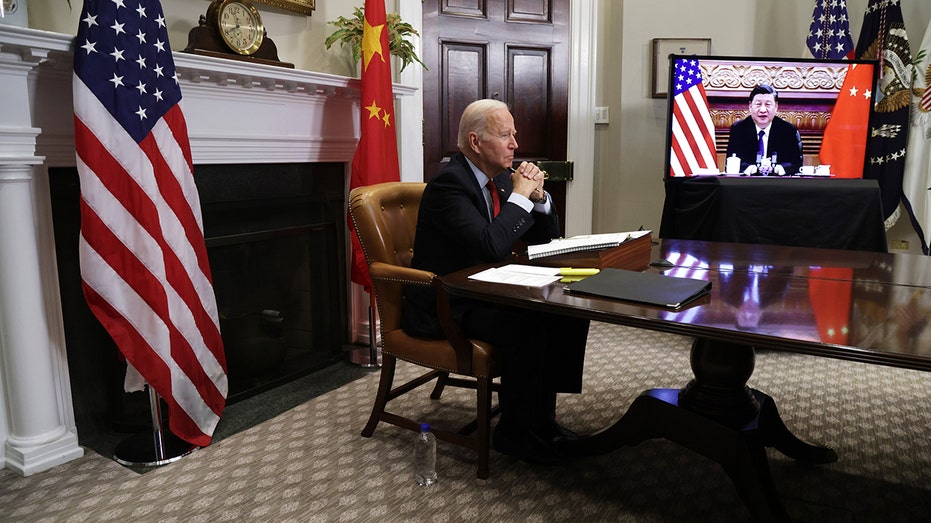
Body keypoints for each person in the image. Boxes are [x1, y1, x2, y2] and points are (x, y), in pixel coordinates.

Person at [402, 99, 589, 464]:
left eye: (514, 134)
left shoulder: (500, 179)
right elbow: (490, 245)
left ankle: (541, 419)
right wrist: (520, 195)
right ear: (475, 142)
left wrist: (540, 199)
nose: (515, 144)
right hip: (448, 302)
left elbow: (543, 240)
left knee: (568, 310)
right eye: (505, 136)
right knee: (527, 326)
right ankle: (514, 433)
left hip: (486, 292)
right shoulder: (448, 185)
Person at [725, 84, 803, 176]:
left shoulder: (787, 130)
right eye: (758, 104)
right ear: (750, 106)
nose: (763, 110)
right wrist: (753, 168)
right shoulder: (739, 129)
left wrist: (777, 168)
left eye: (768, 104)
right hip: (747, 184)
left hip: (779, 185)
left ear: (776, 107)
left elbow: (796, 163)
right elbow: (731, 161)